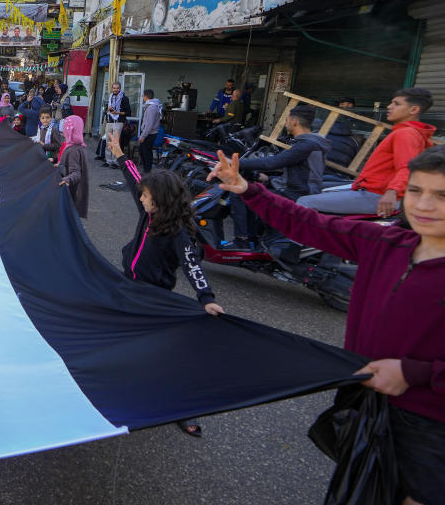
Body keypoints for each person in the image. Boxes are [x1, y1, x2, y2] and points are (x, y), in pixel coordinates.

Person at [209, 146, 445, 505]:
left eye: (441, 195)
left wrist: (414, 372)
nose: (424, 205)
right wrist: (247, 189)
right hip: (366, 396)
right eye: (416, 191)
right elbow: (312, 224)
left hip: (429, 421)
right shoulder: (387, 242)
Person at [107, 132, 225, 436]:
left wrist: (206, 297)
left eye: (146, 196)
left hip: (153, 298)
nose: (141, 198)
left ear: (159, 200)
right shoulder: (148, 213)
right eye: (142, 195)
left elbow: (191, 265)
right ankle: (116, 391)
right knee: (118, 341)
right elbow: (134, 178)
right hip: (127, 287)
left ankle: (183, 408)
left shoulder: (177, 232)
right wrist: (119, 153)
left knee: (163, 356)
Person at [297, 88, 435, 216]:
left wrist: (392, 192)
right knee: (317, 187)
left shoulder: (406, 134)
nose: (389, 106)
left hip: (378, 195)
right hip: (372, 189)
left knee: (304, 202)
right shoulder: (412, 133)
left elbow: (407, 167)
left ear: (414, 109)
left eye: (396, 104)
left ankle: (289, 243)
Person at [226, 105, 330, 248]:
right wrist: (270, 179)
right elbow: (300, 172)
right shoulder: (311, 142)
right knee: (253, 190)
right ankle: (253, 238)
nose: (285, 123)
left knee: (240, 194)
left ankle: (242, 240)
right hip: (298, 189)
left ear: (294, 122)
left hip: (296, 194)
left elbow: (272, 163)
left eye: (286, 120)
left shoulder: (306, 145)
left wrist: (235, 163)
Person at [57, 115, 90, 218]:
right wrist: (59, 164)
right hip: (75, 194)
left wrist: (67, 180)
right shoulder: (79, 147)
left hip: (72, 194)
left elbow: (76, 172)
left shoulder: (73, 150)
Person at [323, 97, 359, 167]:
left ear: (350, 105)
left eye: (342, 104)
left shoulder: (357, 116)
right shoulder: (338, 115)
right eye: (340, 104)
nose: (340, 106)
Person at [102, 82, 131, 166]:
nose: (115, 89)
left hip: (118, 122)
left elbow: (128, 112)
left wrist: (117, 112)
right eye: (114, 88)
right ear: (112, 88)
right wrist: (108, 109)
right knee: (108, 141)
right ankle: (108, 160)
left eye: (117, 88)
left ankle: (115, 161)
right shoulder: (110, 97)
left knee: (115, 142)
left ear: (120, 88)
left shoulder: (124, 98)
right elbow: (106, 111)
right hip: (109, 121)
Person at [137, 89, 162, 173]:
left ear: (145, 96)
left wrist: (143, 136)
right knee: (143, 151)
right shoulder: (152, 105)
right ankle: (146, 170)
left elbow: (149, 124)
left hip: (149, 134)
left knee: (146, 153)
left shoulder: (151, 107)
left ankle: (147, 171)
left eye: (143, 95)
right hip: (149, 133)